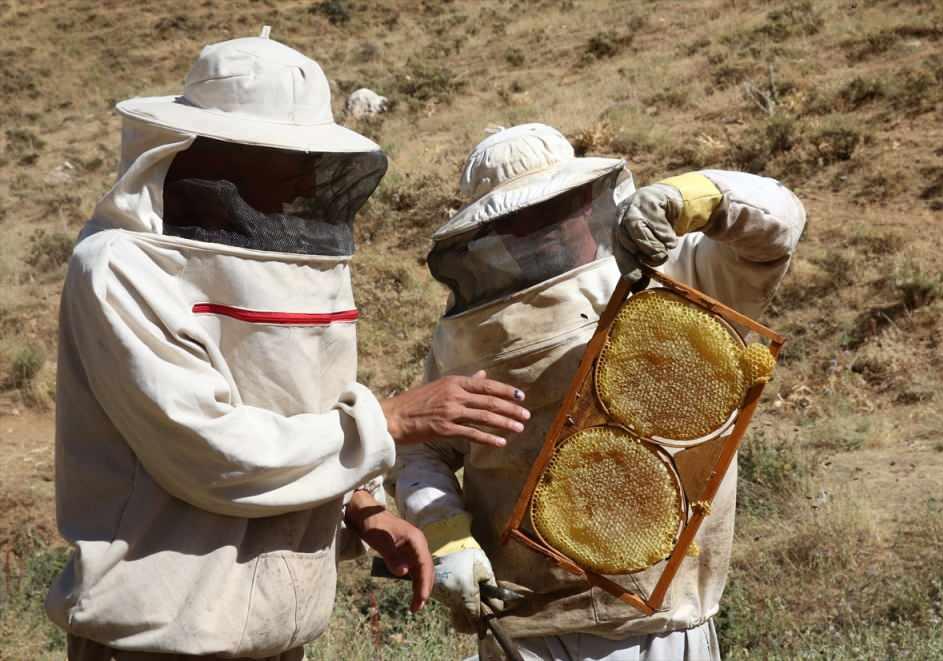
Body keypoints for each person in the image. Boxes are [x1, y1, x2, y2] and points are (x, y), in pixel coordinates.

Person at [46, 32, 529, 661]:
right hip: (157, 639)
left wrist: (362, 507)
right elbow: (210, 448)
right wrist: (390, 422)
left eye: (311, 157)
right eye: (283, 155)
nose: (304, 176)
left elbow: (302, 403)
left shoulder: (299, 259)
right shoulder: (120, 268)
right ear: (210, 151)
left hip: (282, 635)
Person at [391, 123, 806, 660]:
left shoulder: (679, 270)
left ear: (584, 202)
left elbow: (780, 224)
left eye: (550, 211)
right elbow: (424, 448)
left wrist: (689, 198)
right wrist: (446, 533)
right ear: (490, 236)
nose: (536, 231)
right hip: (532, 623)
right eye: (516, 223)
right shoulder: (467, 333)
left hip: (664, 620)